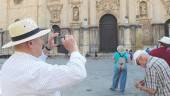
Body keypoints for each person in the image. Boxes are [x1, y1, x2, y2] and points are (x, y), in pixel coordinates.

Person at [0, 18, 87, 96]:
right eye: (40, 39)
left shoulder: (8, 64)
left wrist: (47, 49)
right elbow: (77, 73)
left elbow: (32, 63)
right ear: (30, 43)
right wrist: (74, 49)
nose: (42, 42)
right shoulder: (35, 70)